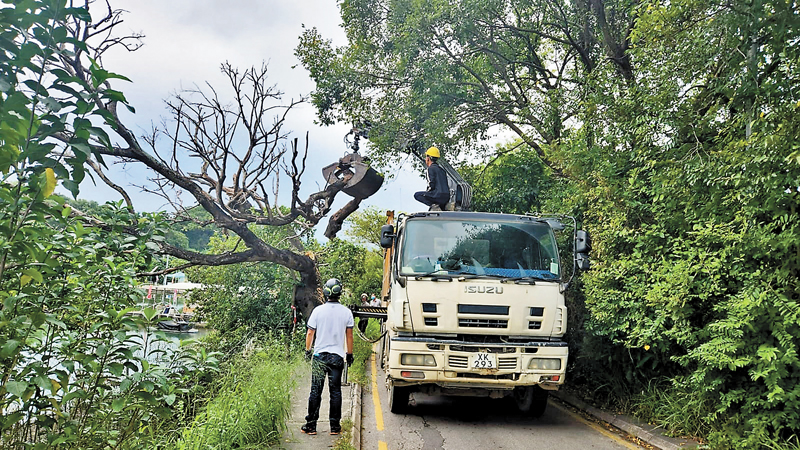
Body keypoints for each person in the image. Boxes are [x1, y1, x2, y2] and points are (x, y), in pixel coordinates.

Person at [302, 278, 355, 436]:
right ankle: (335, 427)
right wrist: (349, 354)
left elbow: (310, 332)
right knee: (336, 392)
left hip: (319, 357)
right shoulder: (346, 312)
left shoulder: (318, 311)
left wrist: (308, 350)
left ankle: (311, 426)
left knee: (315, 391)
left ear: (325, 293)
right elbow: (349, 336)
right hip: (337, 357)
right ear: (340, 293)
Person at [413, 146, 450, 211]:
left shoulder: (430, 169)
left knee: (417, 195)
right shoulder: (442, 170)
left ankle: (435, 206)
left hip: (437, 196)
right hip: (446, 197)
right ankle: (444, 207)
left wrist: (428, 194)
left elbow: (431, 184)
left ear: (428, 158)